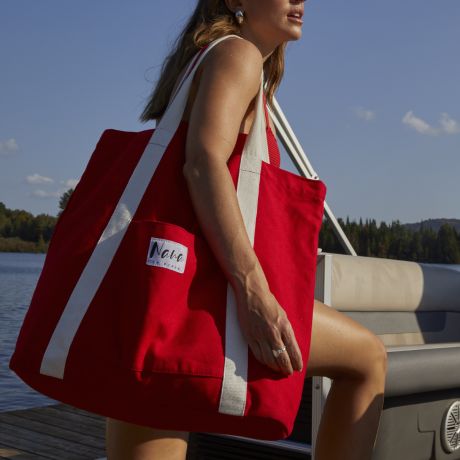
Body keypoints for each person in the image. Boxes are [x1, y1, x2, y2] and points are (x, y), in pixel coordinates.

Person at [105, 1, 388, 459]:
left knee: (365, 358)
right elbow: (202, 164)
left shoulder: (211, 56)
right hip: (198, 297)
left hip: (160, 293)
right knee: (367, 359)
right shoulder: (237, 54)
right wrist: (253, 292)